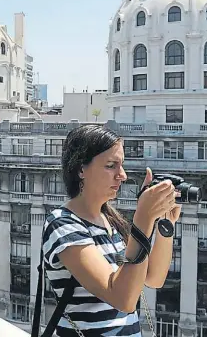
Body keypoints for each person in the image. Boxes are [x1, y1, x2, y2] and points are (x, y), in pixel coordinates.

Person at [36, 125, 180, 337]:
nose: (122, 175)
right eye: (111, 166)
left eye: (122, 165)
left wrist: (165, 224)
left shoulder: (111, 222)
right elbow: (123, 298)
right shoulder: (62, 224)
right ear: (81, 169)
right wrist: (142, 218)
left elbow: (154, 278)